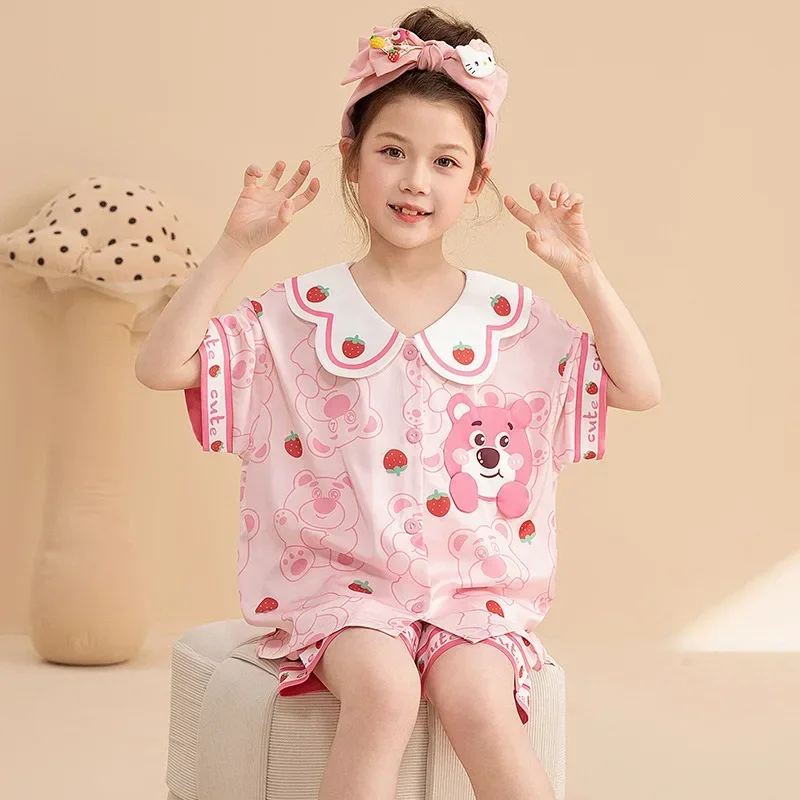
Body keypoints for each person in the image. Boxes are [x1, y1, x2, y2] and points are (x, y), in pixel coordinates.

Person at [135, 7, 661, 800]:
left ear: (475, 182)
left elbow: (638, 388)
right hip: (339, 592)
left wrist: (581, 271)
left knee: (480, 699)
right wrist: (236, 246)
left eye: (446, 161)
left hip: (473, 593)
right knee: (384, 690)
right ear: (351, 158)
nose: (417, 180)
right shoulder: (299, 314)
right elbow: (160, 365)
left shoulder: (510, 320)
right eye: (392, 151)